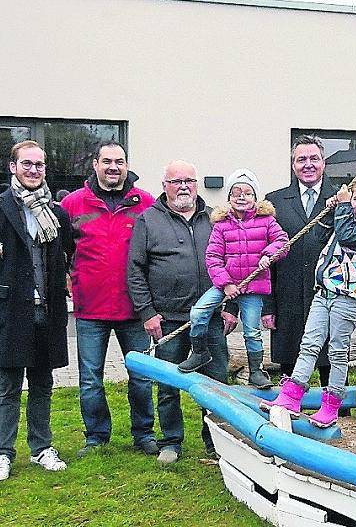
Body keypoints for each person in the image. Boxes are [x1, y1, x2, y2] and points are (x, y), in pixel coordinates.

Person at [262, 178, 356, 428]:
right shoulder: (345, 216)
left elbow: (347, 238)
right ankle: (291, 395)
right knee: (309, 343)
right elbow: (319, 236)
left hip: (348, 295)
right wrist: (331, 210)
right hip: (324, 291)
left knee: (336, 351)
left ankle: (332, 404)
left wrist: (343, 207)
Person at [127, 160, 229, 463]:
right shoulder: (148, 221)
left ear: (196, 184)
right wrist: (147, 313)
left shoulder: (215, 219)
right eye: (176, 181)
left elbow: (235, 264)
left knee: (216, 386)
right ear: (164, 186)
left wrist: (232, 307)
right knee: (169, 385)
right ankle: (171, 441)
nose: (183, 186)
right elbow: (135, 270)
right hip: (169, 320)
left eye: (189, 180)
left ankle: (217, 441)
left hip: (210, 319)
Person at [60, 141, 158, 458]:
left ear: (127, 165)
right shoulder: (73, 204)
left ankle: (143, 434)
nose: (113, 167)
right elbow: (62, 253)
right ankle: (96, 436)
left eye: (119, 161)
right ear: (95, 165)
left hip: (135, 309)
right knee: (90, 380)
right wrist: (71, 282)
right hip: (90, 309)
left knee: (142, 378)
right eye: (106, 161)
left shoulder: (146, 204)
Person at [0, 141, 73, 480]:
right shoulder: (1, 207)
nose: (34, 170)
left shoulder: (56, 213)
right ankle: (3, 452)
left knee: (42, 384)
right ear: (12, 166)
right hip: (9, 313)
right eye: (27, 164)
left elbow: (67, 256)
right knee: (8, 387)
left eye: (40, 165)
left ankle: (41, 448)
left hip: (48, 310)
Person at [178, 170, 287, 390]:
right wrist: (226, 284)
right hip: (226, 283)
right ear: (229, 197)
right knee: (198, 313)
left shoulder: (266, 221)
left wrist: (269, 254)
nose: (241, 197)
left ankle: (256, 371)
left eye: (247, 193)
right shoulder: (221, 225)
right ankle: (199, 352)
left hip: (253, 286)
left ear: (255, 198)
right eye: (236, 192)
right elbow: (213, 257)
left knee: (252, 331)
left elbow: (283, 242)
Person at [258, 135, 337, 382]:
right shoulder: (276, 201)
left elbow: (355, 254)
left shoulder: (341, 200)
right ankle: (286, 418)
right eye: (301, 159)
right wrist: (268, 306)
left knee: (331, 367)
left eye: (314, 158)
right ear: (293, 165)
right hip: (287, 300)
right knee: (289, 374)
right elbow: (266, 257)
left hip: (329, 299)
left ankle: (337, 418)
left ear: (324, 162)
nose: (308, 164)